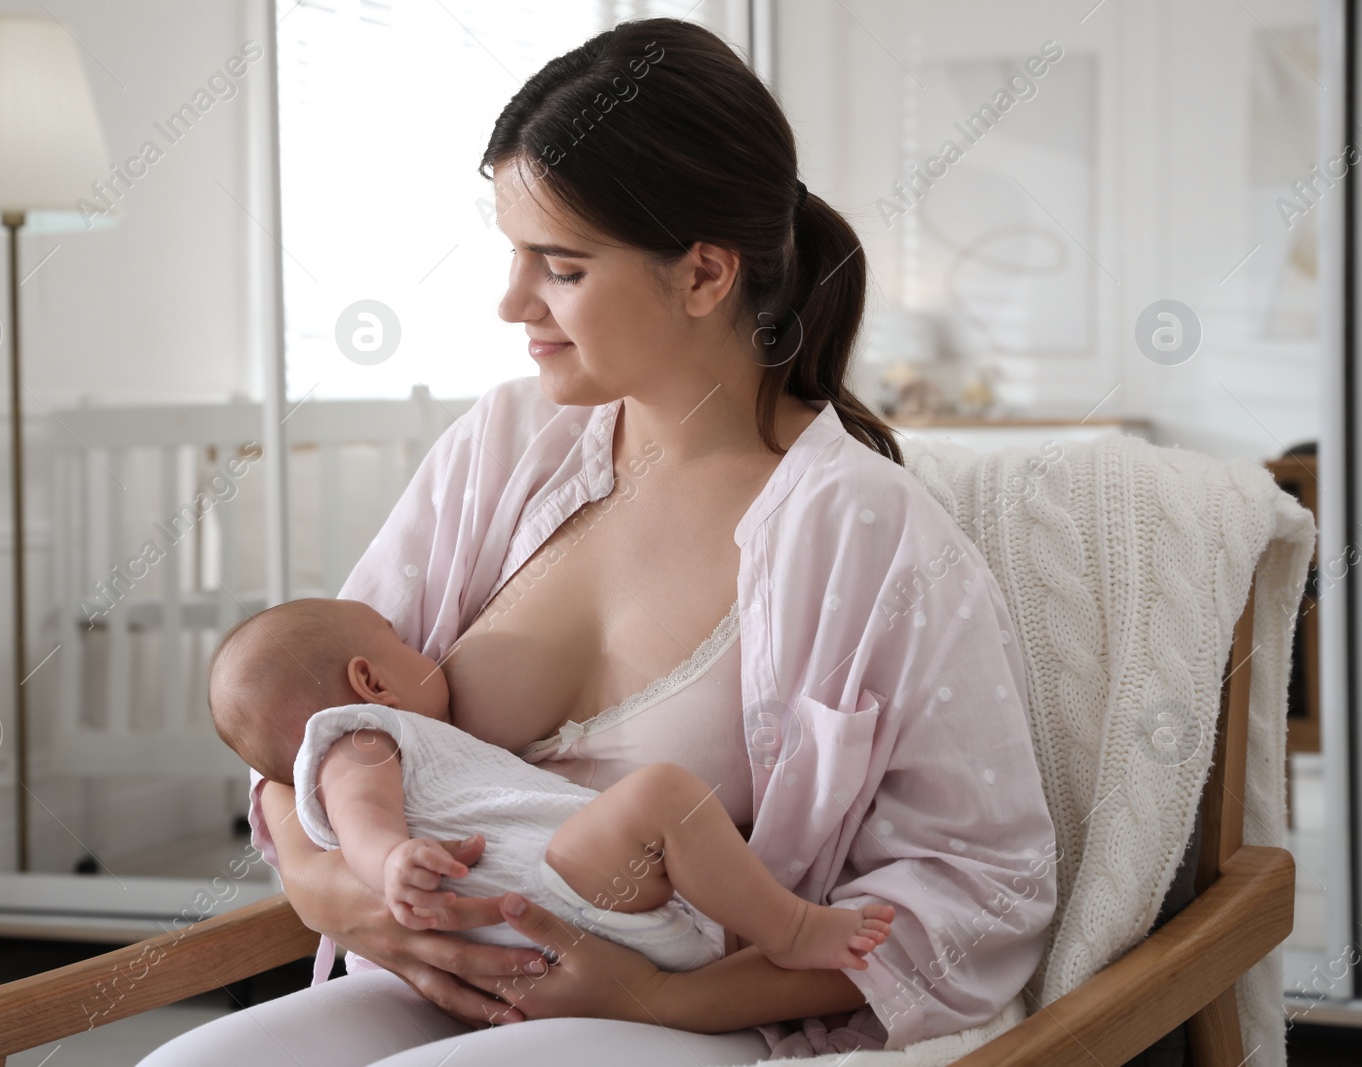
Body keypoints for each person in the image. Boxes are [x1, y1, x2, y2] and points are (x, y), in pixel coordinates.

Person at [140, 15, 1057, 1067]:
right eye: (511, 253)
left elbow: (981, 893)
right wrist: (330, 885)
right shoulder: (502, 445)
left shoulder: (867, 535)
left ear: (705, 274)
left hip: (692, 1009)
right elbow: (305, 711)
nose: (511, 301)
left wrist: (661, 1002)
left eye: (561, 266)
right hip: (445, 972)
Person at [205, 597, 898, 977]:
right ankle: (793, 926)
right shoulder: (358, 734)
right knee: (660, 795)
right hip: (554, 888)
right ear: (371, 681)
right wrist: (389, 858)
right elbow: (360, 812)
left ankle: (751, 943)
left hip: (571, 923)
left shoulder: (384, 739)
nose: (426, 647)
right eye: (401, 641)